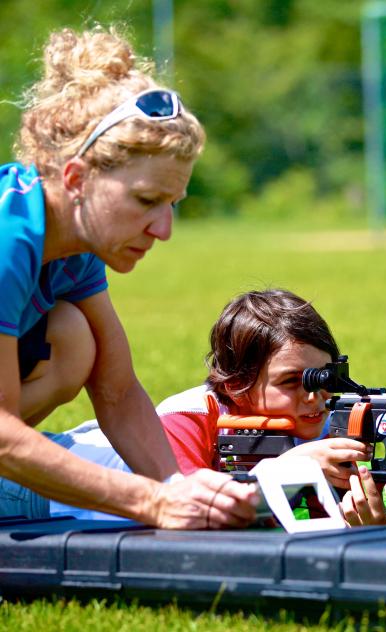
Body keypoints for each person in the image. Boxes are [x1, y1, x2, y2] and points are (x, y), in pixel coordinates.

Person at [0, 26, 259, 529]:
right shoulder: (8, 241)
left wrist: (177, 487)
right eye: (146, 201)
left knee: (74, 338)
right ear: (77, 179)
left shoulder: (72, 238)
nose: (163, 229)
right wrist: (150, 503)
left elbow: (117, 392)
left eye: (172, 205)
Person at [13, 289, 386, 527]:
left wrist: (359, 523)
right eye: (291, 381)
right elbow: (190, 509)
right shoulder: (189, 414)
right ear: (235, 383)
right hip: (32, 486)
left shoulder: (317, 421)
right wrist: (288, 471)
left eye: (324, 378)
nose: (315, 397)